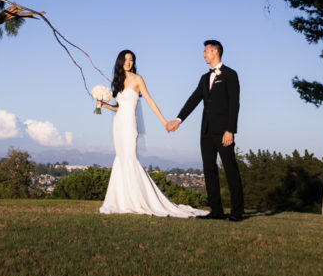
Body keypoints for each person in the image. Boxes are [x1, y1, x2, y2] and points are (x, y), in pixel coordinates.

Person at [96, 49, 208, 218]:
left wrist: (164, 122)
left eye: (131, 60)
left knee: (130, 158)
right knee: (120, 158)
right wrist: (104, 105)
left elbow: (149, 100)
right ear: (120, 62)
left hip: (129, 124)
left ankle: (138, 199)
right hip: (118, 124)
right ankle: (121, 200)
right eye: (126, 59)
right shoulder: (117, 81)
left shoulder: (137, 79)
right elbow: (119, 107)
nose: (128, 62)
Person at [166, 39, 244, 221]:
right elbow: (193, 100)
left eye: (205, 52)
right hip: (206, 131)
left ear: (215, 52)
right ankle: (216, 211)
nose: (203, 55)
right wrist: (178, 120)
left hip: (224, 131)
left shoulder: (231, 75)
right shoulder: (203, 78)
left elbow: (235, 104)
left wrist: (230, 130)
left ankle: (237, 212)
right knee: (209, 170)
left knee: (231, 170)